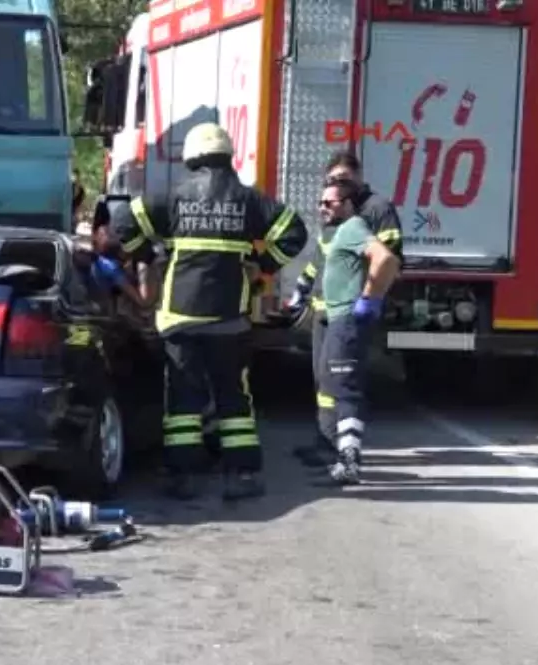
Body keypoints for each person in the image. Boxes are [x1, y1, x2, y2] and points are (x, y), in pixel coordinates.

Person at [114, 122, 309, 500]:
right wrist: (262, 264)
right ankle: (243, 474)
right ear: (227, 154)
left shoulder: (173, 196)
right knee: (233, 396)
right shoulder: (248, 198)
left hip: (179, 316)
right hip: (229, 318)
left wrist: (150, 255)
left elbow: (122, 221)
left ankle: (183, 474)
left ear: (192, 156)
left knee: (184, 400)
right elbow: (295, 232)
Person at [289, 151, 404, 468]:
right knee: (325, 383)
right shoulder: (333, 222)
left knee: (344, 383)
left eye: (342, 180)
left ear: (357, 178)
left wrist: (370, 298)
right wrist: (300, 290)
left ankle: (348, 453)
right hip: (324, 313)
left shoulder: (372, 212)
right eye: (331, 181)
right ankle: (326, 444)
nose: (326, 200)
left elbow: (388, 259)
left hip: (349, 314)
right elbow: (320, 259)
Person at [312, 178, 401, 484]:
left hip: (347, 320)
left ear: (348, 204)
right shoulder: (339, 232)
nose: (322, 207)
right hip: (338, 319)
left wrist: (370, 298)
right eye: (320, 202)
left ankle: (349, 462)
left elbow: (387, 258)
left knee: (346, 389)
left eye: (330, 202)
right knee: (334, 383)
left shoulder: (352, 228)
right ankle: (344, 459)